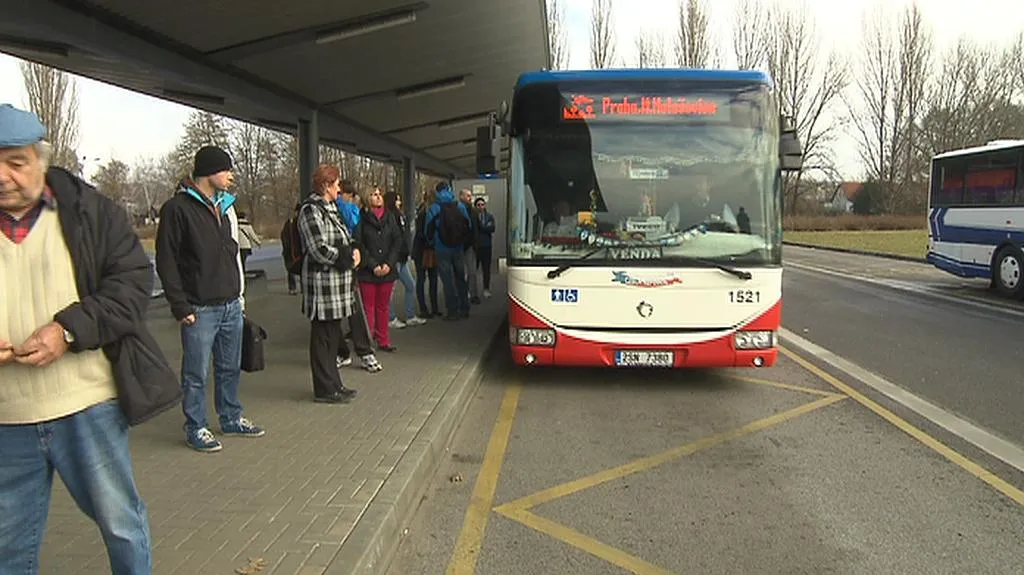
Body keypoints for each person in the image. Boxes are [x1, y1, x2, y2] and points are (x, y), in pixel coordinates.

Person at [0, 104, 175, 574]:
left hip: (86, 406)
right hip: (7, 417)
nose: (3, 176)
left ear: (40, 159)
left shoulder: (90, 213)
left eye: (15, 162)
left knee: (120, 522)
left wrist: (67, 330)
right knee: (8, 543)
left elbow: (131, 285)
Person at [155, 144, 265, 453]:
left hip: (230, 303)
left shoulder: (225, 206)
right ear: (209, 172)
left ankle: (231, 416)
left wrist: (239, 295)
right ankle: (196, 426)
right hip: (199, 307)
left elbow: (230, 252)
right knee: (196, 372)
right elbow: (167, 260)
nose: (231, 176)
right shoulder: (177, 209)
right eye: (226, 169)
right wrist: (180, 304)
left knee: (229, 367)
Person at [296, 164, 361, 403]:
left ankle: (335, 383)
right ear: (325, 185)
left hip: (337, 287)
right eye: (336, 183)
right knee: (322, 338)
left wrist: (355, 250)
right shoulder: (310, 211)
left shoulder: (331, 209)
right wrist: (346, 257)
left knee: (333, 337)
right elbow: (318, 249)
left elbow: (346, 237)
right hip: (323, 287)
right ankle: (324, 388)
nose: (339, 188)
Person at [334, 180, 381, 373]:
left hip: (348, 263)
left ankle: (358, 350)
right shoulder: (336, 208)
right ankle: (351, 351)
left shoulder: (345, 209)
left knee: (352, 309)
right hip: (340, 264)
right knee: (341, 313)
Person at [353, 186, 402, 351]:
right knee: (369, 307)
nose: (378, 197)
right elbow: (359, 244)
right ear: (368, 199)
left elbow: (397, 241)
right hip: (368, 271)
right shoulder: (361, 219)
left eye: (379, 194)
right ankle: (368, 341)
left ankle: (384, 340)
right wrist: (373, 265)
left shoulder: (390, 218)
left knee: (383, 306)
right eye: (374, 195)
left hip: (388, 269)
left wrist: (389, 263)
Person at [424, 181, 471, 320]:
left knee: (447, 281)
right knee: (460, 278)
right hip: (458, 248)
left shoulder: (434, 208)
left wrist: (433, 243)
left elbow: (428, 231)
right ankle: (465, 307)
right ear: (450, 190)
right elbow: (468, 226)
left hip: (441, 248)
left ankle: (452, 311)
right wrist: (463, 243)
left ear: (437, 191)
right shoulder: (460, 206)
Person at [385, 191, 426, 328]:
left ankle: (410, 315)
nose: (400, 203)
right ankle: (390, 318)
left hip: (402, 257)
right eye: (397, 200)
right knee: (391, 289)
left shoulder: (398, 215)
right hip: (395, 258)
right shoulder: (390, 216)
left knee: (410, 284)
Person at [412, 189, 440, 318]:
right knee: (432, 279)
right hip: (430, 250)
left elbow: (419, 233)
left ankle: (424, 308)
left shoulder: (421, 212)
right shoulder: (433, 212)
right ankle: (434, 308)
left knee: (421, 280)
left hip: (419, 250)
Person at [459, 188, 482, 304]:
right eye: (468, 196)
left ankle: (473, 294)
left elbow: (477, 228)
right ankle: (463, 293)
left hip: (470, 246)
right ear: (461, 197)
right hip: (459, 245)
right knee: (461, 271)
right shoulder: (457, 210)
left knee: (472, 271)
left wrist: (476, 244)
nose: (470, 198)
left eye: (470, 196)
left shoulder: (473, 211)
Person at [473, 196, 496, 298]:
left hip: (486, 246)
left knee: (486, 269)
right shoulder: (472, 217)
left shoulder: (489, 216)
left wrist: (481, 227)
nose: (481, 207)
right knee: (473, 269)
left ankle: (486, 289)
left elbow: (491, 228)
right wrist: (483, 227)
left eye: (482, 205)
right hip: (475, 246)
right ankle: (472, 290)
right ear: (475, 206)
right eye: (478, 205)